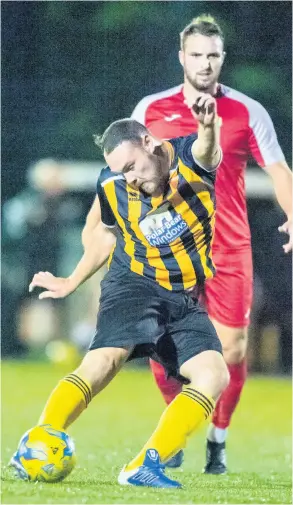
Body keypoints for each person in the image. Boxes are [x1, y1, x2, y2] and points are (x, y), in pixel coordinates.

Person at [11, 94, 230, 489]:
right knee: (106, 360)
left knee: (214, 375)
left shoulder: (192, 160)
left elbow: (208, 146)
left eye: (131, 166)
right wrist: (72, 280)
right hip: (134, 284)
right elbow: (105, 236)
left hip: (182, 297)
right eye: (119, 171)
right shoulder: (112, 182)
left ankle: (145, 465)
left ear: (149, 141)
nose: (128, 177)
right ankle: (41, 439)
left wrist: (210, 124)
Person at [130, 14, 293, 474]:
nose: (204, 63)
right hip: (169, 246)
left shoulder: (247, 111)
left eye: (213, 56)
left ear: (223, 59)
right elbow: (128, 166)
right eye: (196, 54)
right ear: (182, 57)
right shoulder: (151, 109)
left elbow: (279, 170)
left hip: (228, 246)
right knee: (160, 342)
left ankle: (217, 438)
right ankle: (175, 429)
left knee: (234, 349)